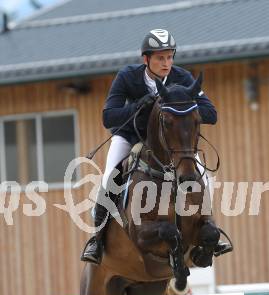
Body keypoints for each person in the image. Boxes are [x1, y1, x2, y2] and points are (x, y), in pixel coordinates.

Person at [81, 29, 232, 265]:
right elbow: (109, 117)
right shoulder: (128, 77)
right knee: (110, 177)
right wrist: (139, 106)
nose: (166, 63)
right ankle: (97, 239)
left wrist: (179, 109)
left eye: (170, 56)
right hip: (132, 137)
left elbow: (210, 114)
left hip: (172, 143)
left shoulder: (182, 78)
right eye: (160, 58)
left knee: (202, 175)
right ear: (146, 59)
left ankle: (209, 229)